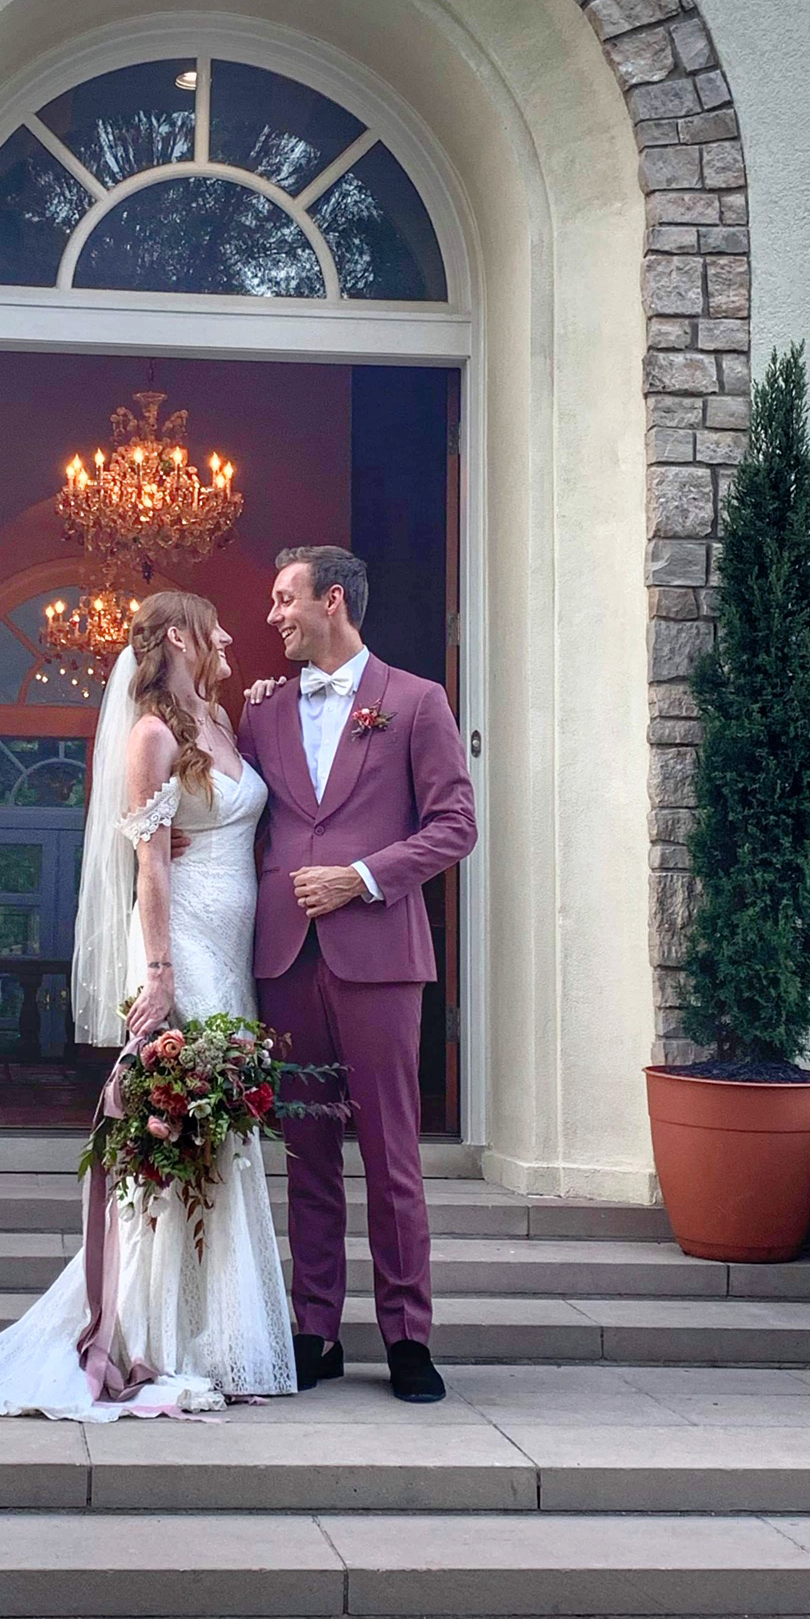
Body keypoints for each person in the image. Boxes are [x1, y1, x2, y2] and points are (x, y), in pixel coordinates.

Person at [0, 590, 294, 1420]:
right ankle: (154, 1334)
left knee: (223, 1131)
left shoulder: (224, 721)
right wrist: (156, 971)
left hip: (234, 954)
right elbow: (151, 863)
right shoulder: (150, 735)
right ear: (184, 637)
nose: (231, 635)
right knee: (179, 1131)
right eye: (217, 625)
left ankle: (217, 1332)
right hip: (181, 941)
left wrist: (262, 697)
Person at [238, 545, 476, 1404]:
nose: (273, 618)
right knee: (304, 1154)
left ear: (331, 600)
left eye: (283, 600)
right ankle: (315, 1333)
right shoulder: (260, 713)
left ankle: (409, 1338)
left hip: (378, 960)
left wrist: (361, 877)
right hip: (287, 963)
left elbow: (455, 826)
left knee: (391, 1156)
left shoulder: (416, 702)